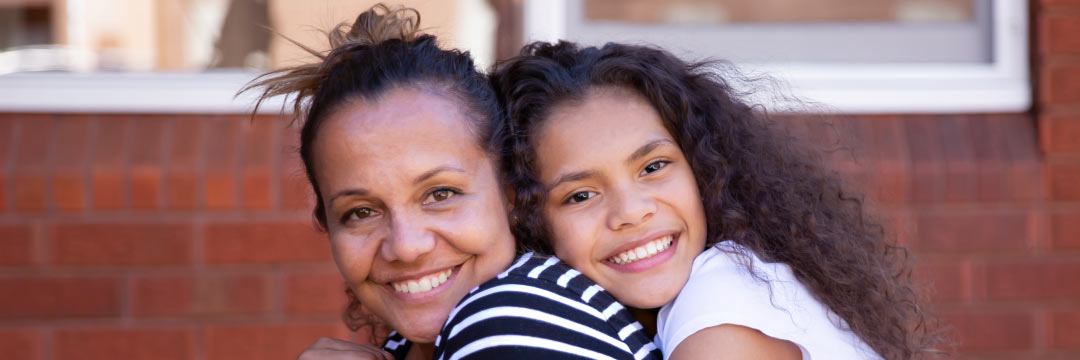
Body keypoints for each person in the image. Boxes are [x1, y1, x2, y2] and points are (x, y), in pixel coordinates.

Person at [244, 4, 658, 360]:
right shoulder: (432, 337)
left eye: (440, 194)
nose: (406, 247)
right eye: (361, 212)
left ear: (511, 193)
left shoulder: (509, 321)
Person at [489, 41, 943, 359]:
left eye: (653, 167)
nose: (631, 211)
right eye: (581, 195)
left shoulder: (720, 302)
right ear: (529, 218)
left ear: (703, 169)